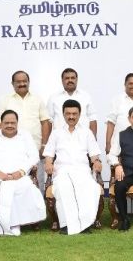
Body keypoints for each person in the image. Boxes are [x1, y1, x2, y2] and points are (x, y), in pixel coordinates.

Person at [0, 110, 47, 236]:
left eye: (13, 123)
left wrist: (21, 171)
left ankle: (14, 223)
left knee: (24, 187)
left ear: (17, 123)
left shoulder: (25, 136)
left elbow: (34, 157)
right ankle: (7, 224)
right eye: (6, 123)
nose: (10, 125)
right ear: (1, 123)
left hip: (20, 176)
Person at [43, 99, 104, 235]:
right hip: (62, 172)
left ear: (79, 114)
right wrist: (48, 163)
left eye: (74, 114)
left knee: (89, 187)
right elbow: (48, 154)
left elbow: (94, 155)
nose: (71, 117)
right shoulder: (56, 133)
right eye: (68, 113)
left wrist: (97, 162)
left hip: (82, 171)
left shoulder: (87, 133)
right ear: (63, 114)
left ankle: (85, 224)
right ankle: (66, 225)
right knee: (64, 188)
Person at [0, 70, 50, 158]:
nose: (22, 84)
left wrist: (44, 145)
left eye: (24, 81)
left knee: (36, 171)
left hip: (35, 146)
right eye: (18, 82)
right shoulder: (4, 100)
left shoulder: (38, 99)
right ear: (12, 84)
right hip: (11, 148)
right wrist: (0, 145)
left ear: (29, 82)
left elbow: (45, 123)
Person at [47, 68, 97, 138]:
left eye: (72, 78)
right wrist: (46, 143)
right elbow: (49, 121)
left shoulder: (86, 96)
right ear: (62, 80)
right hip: (60, 139)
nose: (70, 80)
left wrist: (93, 140)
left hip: (83, 139)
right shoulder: (53, 98)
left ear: (77, 80)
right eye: (67, 78)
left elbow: (92, 119)